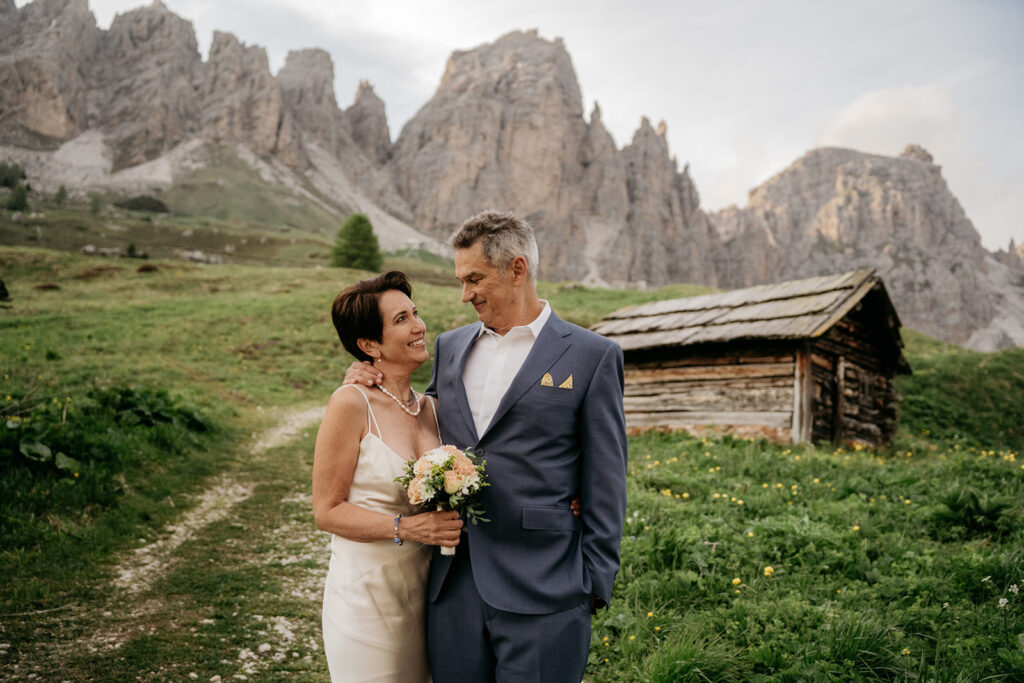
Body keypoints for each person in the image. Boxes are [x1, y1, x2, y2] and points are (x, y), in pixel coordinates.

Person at [346, 210, 628, 682]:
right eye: (461, 280)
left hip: (547, 590)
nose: (465, 293)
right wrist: (366, 378)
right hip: (453, 587)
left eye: (474, 278)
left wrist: (593, 585)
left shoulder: (592, 355)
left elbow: (607, 477)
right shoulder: (450, 346)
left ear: (517, 270)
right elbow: (418, 417)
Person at [312, 270, 463, 682]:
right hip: (366, 597)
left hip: (430, 595)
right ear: (368, 345)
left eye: (415, 313)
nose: (419, 326)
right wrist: (408, 527)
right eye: (401, 320)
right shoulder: (350, 403)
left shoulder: (435, 409)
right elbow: (327, 512)